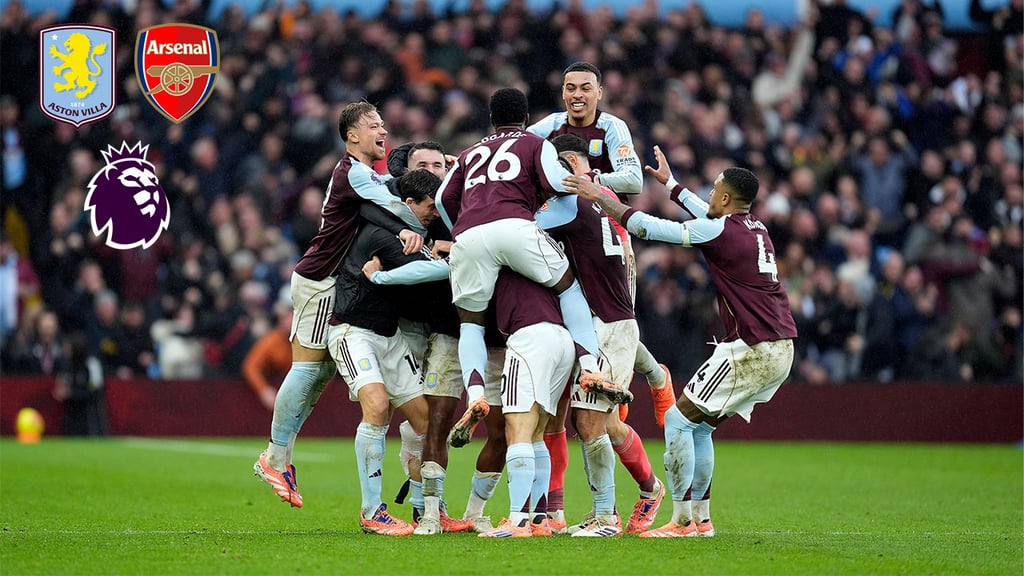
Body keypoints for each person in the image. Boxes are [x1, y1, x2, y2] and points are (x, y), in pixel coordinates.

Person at [565, 146, 797, 537]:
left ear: (724, 198)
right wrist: (671, 185)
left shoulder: (718, 227)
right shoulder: (755, 226)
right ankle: (701, 520)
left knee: (676, 419)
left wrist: (599, 196)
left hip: (753, 346)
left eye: (713, 190)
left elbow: (647, 228)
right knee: (700, 429)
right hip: (781, 345)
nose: (707, 195)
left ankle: (682, 521)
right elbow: (707, 216)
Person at [253, 101, 428, 509]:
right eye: (372, 126)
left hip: (333, 282)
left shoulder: (366, 173)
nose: (382, 130)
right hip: (320, 279)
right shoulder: (353, 173)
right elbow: (395, 205)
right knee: (308, 369)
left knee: (319, 374)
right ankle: (275, 457)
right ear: (352, 135)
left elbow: (389, 199)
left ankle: (280, 458)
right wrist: (422, 224)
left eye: (383, 124)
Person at [436, 87, 626, 451]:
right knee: (568, 287)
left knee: (471, 323)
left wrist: (458, 229)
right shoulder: (535, 144)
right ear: (526, 118)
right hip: (516, 227)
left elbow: (445, 198)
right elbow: (558, 183)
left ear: (491, 119)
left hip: (468, 236)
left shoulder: (470, 151)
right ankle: (590, 367)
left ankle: (475, 393)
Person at [538, 134, 666, 537]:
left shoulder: (571, 205)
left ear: (573, 162)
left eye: (556, 164)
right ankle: (649, 488)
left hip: (606, 327)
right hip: (612, 322)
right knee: (605, 424)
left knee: (589, 422)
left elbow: (519, 224)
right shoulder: (605, 203)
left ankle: (605, 516)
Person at [326, 170, 441, 536]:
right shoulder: (381, 234)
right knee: (376, 407)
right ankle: (372, 510)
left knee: (425, 422)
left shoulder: (410, 234)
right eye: (428, 208)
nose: (433, 214)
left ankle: (425, 510)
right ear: (408, 205)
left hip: (389, 337)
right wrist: (454, 261)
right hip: (352, 332)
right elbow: (421, 272)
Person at [477, 269, 576, 538]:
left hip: (530, 337)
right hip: (562, 338)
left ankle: (518, 521)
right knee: (536, 433)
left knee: (517, 428)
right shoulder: (545, 255)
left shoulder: (502, 250)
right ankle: (539, 519)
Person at [527, 61, 643, 199]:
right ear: (563, 92)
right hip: (559, 213)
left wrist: (591, 178)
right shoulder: (549, 126)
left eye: (585, 89)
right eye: (571, 89)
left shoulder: (612, 126)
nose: (577, 94)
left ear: (599, 93)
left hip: (603, 213)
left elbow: (634, 180)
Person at [53, 331, 108, 437]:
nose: (65, 349)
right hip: (71, 415)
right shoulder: (66, 365)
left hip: (90, 416)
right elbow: (62, 384)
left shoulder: (91, 364)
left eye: (68, 346)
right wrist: (61, 392)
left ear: (76, 347)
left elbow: (95, 390)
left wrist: (72, 393)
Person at [242, 301, 294, 411]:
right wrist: (263, 390)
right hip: (269, 390)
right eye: (288, 317)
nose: (292, 321)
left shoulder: (305, 343)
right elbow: (250, 367)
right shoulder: (271, 341)